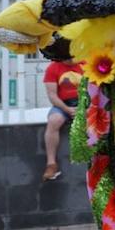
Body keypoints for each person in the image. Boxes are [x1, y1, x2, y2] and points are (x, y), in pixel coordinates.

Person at [41, 37, 83, 180]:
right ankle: (51, 164)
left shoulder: (86, 64)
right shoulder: (53, 68)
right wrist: (67, 109)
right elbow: (52, 95)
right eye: (67, 58)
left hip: (84, 103)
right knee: (54, 120)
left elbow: (94, 90)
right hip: (62, 104)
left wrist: (84, 107)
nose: (71, 61)